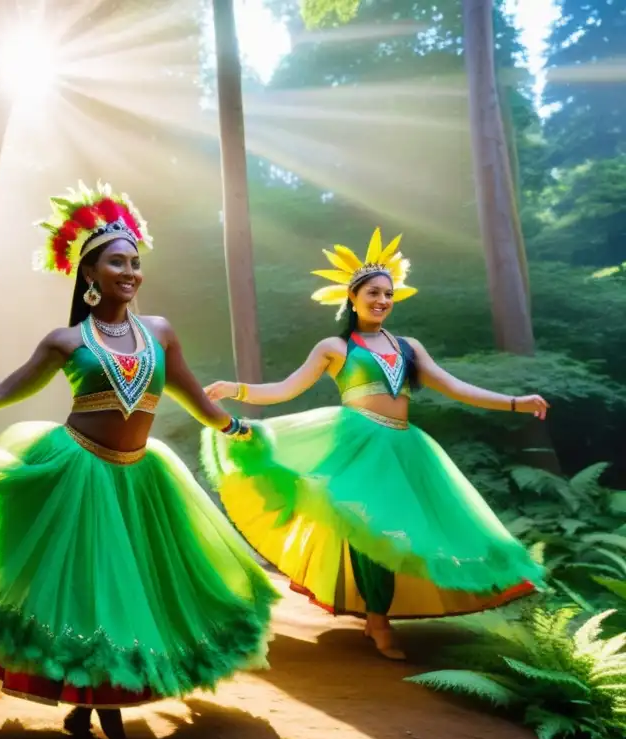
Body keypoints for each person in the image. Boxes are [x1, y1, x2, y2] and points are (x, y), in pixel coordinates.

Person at [0, 181, 277, 739]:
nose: (130, 271)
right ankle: (100, 701)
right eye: (117, 261)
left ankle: (96, 701)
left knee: (140, 590)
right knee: (90, 591)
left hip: (140, 477)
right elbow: (0, 394)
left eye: (135, 262)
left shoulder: (159, 333)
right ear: (89, 273)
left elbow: (192, 395)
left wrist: (233, 426)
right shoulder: (67, 341)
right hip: (77, 473)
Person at [202, 228, 548, 660]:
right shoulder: (335, 347)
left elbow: (454, 386)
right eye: (373, 293)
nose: (382, 300)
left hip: (405, 448)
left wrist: (515, 402)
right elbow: (286, 388)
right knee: (371, 531)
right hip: (358, 445)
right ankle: (378, 621)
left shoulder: (408, 347)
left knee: (413, 532)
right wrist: (237, 388)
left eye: (388, 293)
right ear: (352, 297)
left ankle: (380, 614)